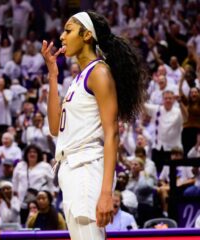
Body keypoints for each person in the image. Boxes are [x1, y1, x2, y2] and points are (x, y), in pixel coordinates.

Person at [41, 11, 146, 239]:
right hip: (72, 169)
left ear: (87, 35)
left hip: (87, 167)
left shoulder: (99, 72)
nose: (62, 36)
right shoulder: (78, 78)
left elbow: (112, 133)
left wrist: (107, 192)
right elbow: (53, 126)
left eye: (68, 30)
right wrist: (52, 75)